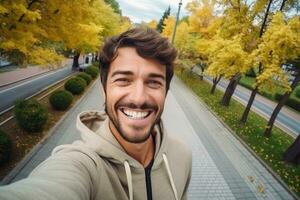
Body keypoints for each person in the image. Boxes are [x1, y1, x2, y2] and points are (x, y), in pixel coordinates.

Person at [0, 27, 192, 200]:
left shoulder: (182, 156)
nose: (139, 98)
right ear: (104, 89)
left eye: (154, 82)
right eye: (124, 80)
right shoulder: (81, 164)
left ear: (165, 92)